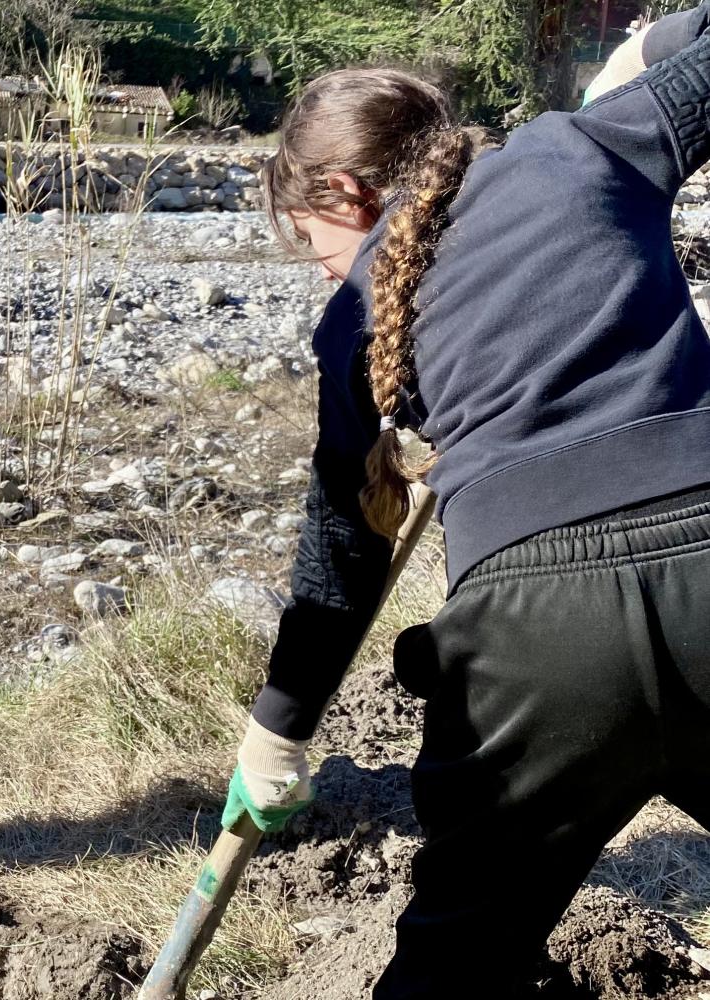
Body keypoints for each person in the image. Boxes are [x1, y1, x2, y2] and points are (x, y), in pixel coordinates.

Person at [223, 8, 710, 998]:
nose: (324, 269)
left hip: (531, 648)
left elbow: (339, 545)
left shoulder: (353, 318)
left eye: (314, 242)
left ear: (347, 193)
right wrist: (660, 43)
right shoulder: (582, 144)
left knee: (450, 974)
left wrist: (279, 728)